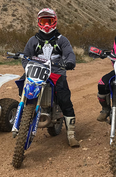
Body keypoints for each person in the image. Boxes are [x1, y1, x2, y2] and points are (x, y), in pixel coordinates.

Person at [21, 8, 80, 148]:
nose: (46, 24)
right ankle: (24, 118)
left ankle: (71, 134)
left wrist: (69, 62)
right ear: (39, 22)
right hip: (37, 71)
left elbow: (69, 54)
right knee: (21, 84)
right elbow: (25, 57)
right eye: (43, 21)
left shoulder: (62, 40)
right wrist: (27, 67)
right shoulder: (33, 40)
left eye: (49, 21)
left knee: (64, 98)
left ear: (54, 21)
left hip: (56, 72)